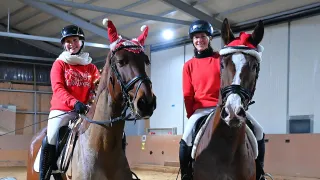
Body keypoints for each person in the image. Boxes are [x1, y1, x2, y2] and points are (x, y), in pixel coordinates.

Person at [179, 20, 267, 180]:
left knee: (259, 131)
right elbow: (188, 93)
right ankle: (186, 174)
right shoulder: (188, 66)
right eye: (196, 37)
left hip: (225, 105)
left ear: (209, 38)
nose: (200, 40)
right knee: (186, 137)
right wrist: (192, 114)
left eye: (203, 36)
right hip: (201, 110)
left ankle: (260, 173)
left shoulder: (221, 58)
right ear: (192, 40)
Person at [39, 25, 100, 180]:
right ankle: (45, 175)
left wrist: (92, 101)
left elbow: (97, 88)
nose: (71, 43)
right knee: (51, 137)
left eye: (75, 40)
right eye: (67, 41)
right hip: (63, 110)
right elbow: (58, 88)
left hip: (85, 111)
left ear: (81, 42)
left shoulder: (91, 67)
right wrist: (74, 102)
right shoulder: (59, 64)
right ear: (63, 44)